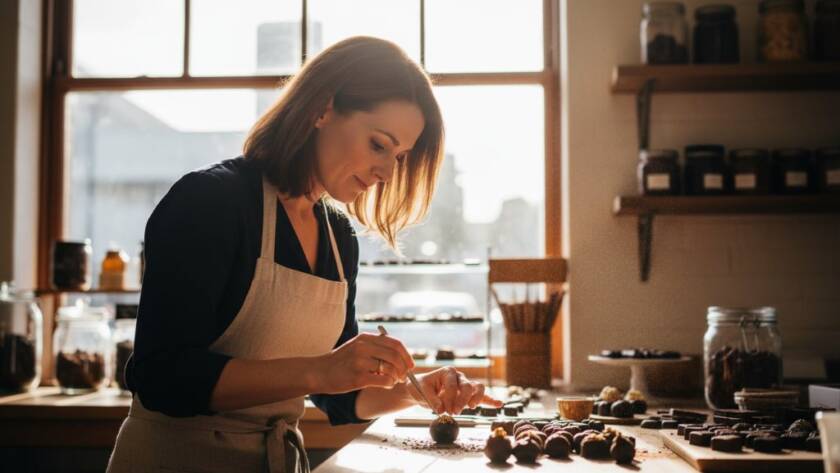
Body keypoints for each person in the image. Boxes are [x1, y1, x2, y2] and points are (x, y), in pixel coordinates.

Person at [106, 36, 501, 473]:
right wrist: (321, 370)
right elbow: (163, 377)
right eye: (378, 144)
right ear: (323, 108)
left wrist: (415, 390)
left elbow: (338, 395)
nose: (388, 173)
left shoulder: (338, 237)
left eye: (400, 157)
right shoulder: (210, 202)